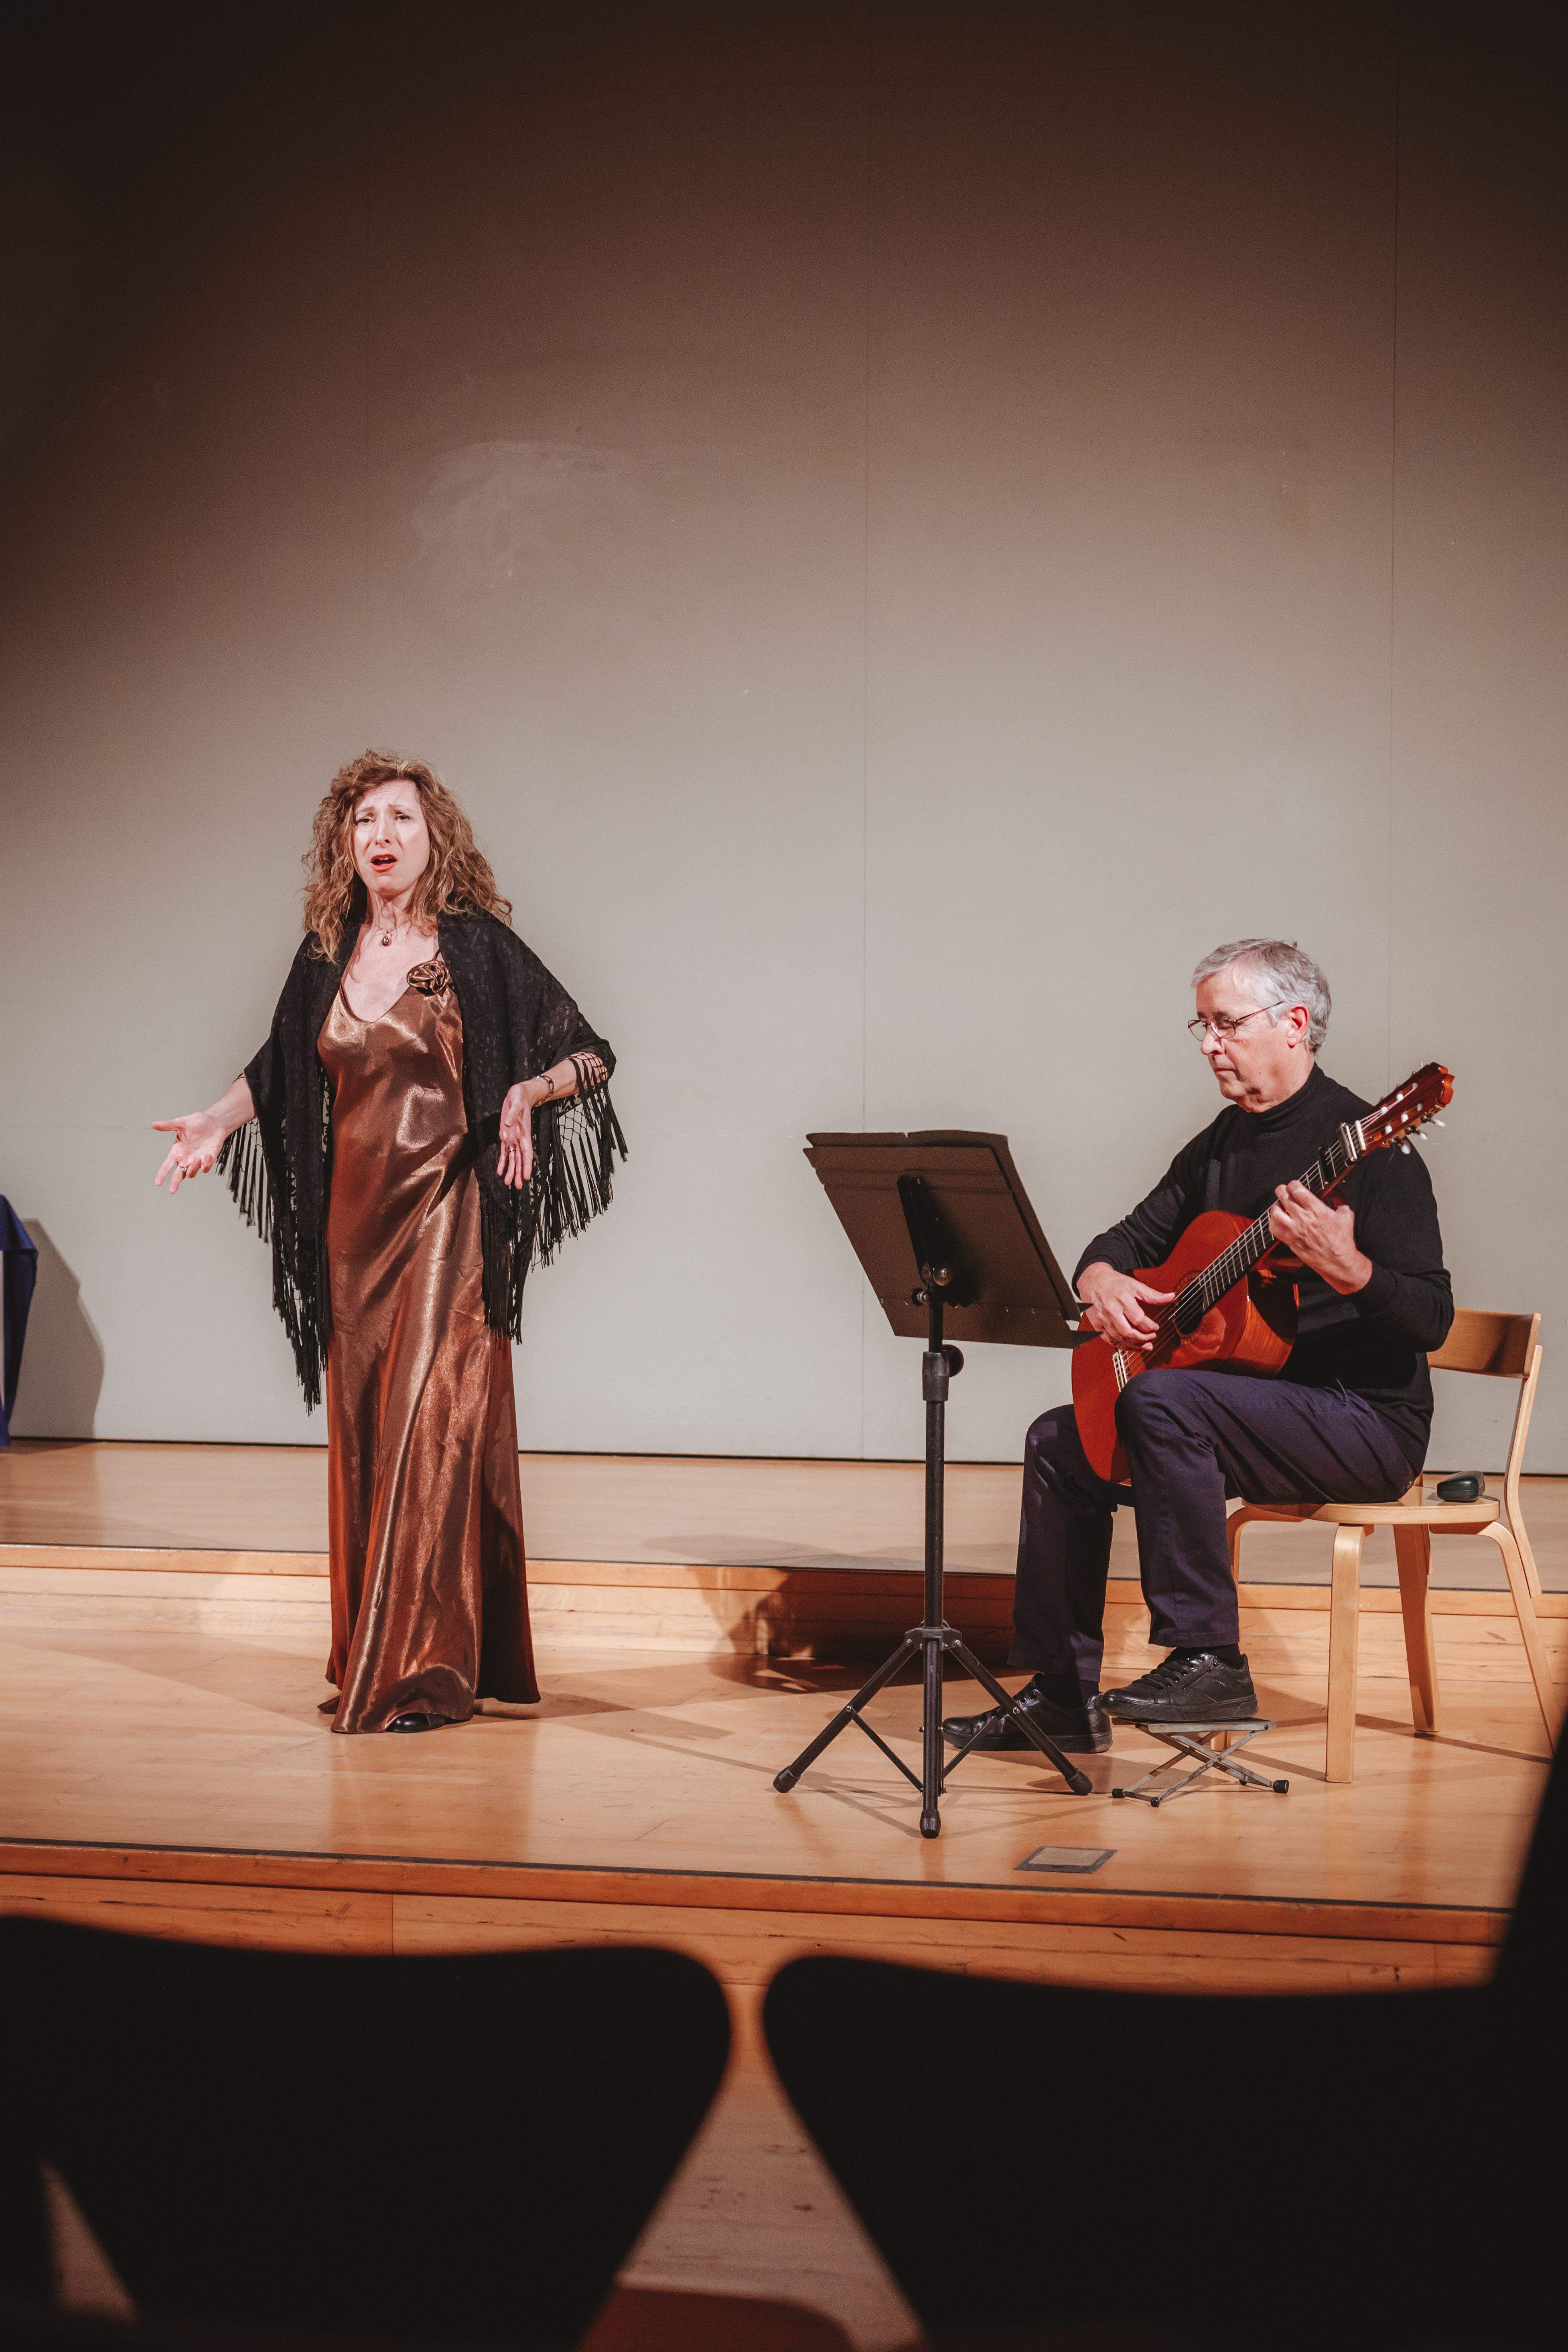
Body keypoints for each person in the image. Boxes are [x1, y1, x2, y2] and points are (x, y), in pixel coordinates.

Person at [153, 751, 624, 1734]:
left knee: (429, 1436)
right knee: (368, 1445)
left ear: (432, 834)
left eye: (400, 819)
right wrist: (218, 1120)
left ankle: (426, 1675)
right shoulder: (325, 951)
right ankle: (381, 1646)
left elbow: (588, 1051)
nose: (381, 836)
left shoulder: (477, 950)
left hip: (449, 1219)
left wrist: (526, 1093)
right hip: (351, 1238)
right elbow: (282, 1068)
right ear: (344, 842)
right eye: (364, 820)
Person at [941, 938, 1452, 1753]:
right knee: (1057, 1440)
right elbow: (1120, 1238)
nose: (1209, 1043)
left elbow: (1430, 1318)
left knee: (1159, 1399)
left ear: (1293, 1024)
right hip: (1245, 1406)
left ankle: (1209, 1659)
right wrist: (1099, 1280)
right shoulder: (1219, 1143)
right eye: (1201, 1025)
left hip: (1362, 1420)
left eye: (1225, 1023)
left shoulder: (1370, 1151)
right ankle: (1059, 1696)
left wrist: (1348, 1268)